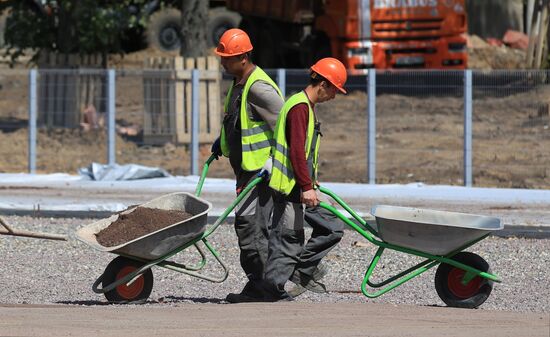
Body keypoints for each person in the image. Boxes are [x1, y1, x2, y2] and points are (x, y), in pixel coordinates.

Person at [262, 57, 348, 301]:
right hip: (291, 188)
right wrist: (306, 185)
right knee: (287, 239)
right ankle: (271, 290)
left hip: (300, 186)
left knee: (332, 226)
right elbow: (296, 152)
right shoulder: (299, 108)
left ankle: (302, 271)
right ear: (323, 84)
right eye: (334, 90)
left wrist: (311, 181)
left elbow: (306, 153)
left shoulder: (306, 107)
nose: (334, 96)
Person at [211, 28, 284, 303]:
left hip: (260, 173)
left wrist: (272, 160)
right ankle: (264, 284)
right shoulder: (239, 82)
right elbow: (239, 120)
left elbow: (287, 125)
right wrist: (223, 140)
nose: (222, 63)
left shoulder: (259, 87)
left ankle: (264, 287)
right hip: (246, 171)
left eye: (226, 58)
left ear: (243, 57)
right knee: (249, 226)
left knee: (250, 226)